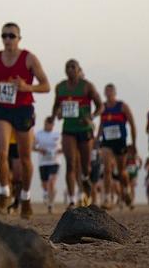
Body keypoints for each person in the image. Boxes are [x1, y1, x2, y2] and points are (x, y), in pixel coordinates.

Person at [0, 23, 51, 219]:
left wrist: (26, 87)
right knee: (1, 152)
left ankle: (26, 198)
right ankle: (5, 193)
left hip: (23, 110)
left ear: (19, 38)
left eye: (12, 35)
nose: (8, 39)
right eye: (4, 36)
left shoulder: (29, 58)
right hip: (3, 109)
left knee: (25, 157)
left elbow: (46, 86)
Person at [51, 59, 103, 207]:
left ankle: (85, 182)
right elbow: (56, 105)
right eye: (67, 67)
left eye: (73, 67)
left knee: (85, 166)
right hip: (68, 130)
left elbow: (101, 106)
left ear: (79, 70)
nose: (70, 69)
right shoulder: (60, 87)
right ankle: (72, 199)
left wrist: (91, 117)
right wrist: (55, 115)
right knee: (70, 164)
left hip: (84, 130)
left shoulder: (87, 86)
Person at [96, 83, 137, 210]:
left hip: (120, 142)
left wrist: (134, 143)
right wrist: (97, 140)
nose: (108, 94)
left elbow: (132, 124)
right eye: (106, 92)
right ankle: (107, 198)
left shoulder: (122, 106)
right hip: (107, 142)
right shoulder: (102, 107)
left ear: (115, 93)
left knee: (121, 171)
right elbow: (101, 124)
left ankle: (127, 189)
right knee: (107, 169)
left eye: (111, 92)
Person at [34, 116, 61, 212]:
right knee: (45, 184)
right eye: (47, 123)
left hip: (54, 161)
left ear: (53, 124)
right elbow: (32, 146)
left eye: (50, 123)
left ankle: (51, 203)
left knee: (52, 182)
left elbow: (63, 148)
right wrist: (39, 150)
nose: (48, 125)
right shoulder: (38, 134)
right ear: (44, 123)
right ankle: (45, 193)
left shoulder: (57, 134)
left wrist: (59, 151)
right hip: (43, 162)